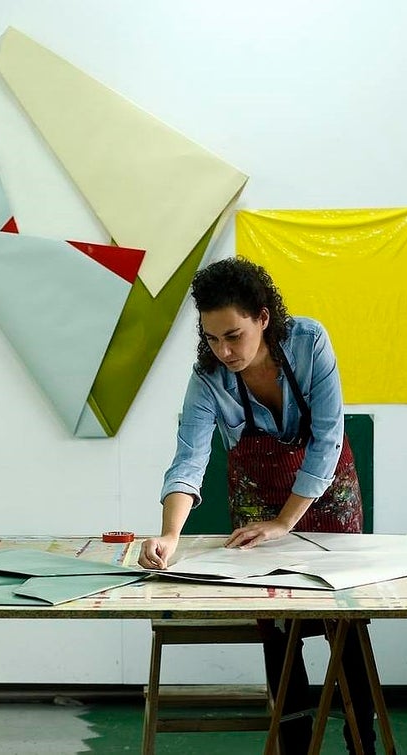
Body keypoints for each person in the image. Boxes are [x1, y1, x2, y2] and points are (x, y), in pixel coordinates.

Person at [138, 256, 375, 754]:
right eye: (211, 338)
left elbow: (329, 435)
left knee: (343, 616)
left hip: (325, 489)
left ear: (263, 318)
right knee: (277, 623)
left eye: (234, 335)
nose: (223, 350)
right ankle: (293, 745)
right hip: (257, 495)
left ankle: (364, 741)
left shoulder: (310, 342)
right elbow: (189, 459)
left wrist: (286, 521)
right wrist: (170, 534)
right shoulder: (207, 378)